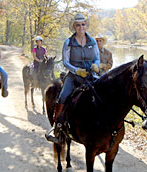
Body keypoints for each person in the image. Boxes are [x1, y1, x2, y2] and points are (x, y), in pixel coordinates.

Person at [46, 13, 100, 143]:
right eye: (78, 25)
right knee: (63, 96)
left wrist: (96, 65)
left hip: (90, 74)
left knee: (105, 92)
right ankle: (56, 127)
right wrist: (77, 70)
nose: (81, 27)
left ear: (86, 26)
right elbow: (65, 62)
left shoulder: (92, 41)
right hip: (74, 76)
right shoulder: (68, 42)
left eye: (83, 24)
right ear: (74, 27)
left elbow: (97, 57)